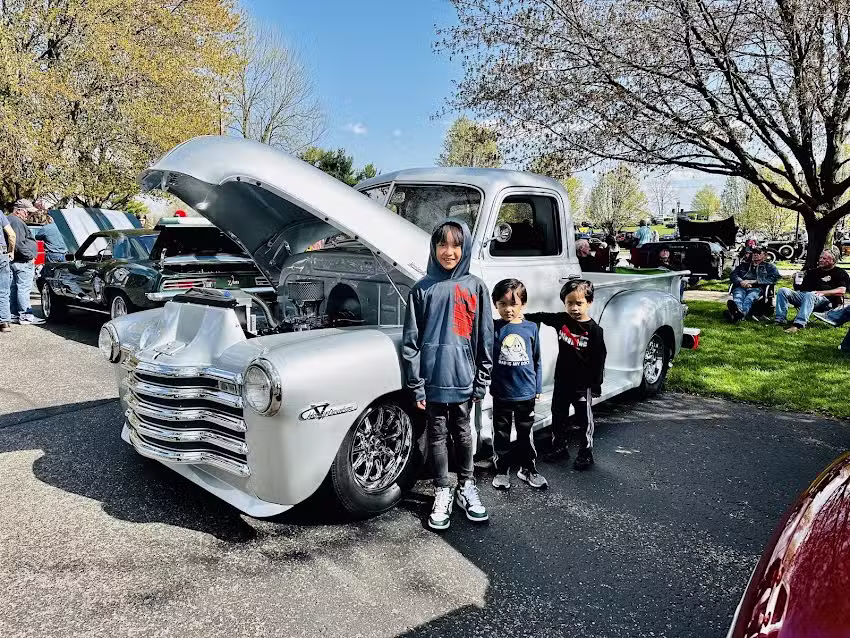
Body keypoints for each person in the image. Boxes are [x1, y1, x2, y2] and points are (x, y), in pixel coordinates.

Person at [403, 220, 494, 531]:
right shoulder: (421, 289)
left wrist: (481, 380)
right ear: (434, 248)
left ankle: (466, 486)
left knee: (464, 433)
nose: (449, 251)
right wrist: (416, 386)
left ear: (464, 248)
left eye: (456, 245)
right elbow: (411, 342)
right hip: (431, 383)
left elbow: (485, 337)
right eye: (443, 245)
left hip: (464, 380)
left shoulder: (475, 287)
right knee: (438, 436)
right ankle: (443, 487)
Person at [526, 279, 607, 471]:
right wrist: (523, 318)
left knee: (583, 420)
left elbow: (599, 358)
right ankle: (559, 447)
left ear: (589, 302)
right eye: (569, 303)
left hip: (582, 384)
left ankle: (586, 452)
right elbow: (543, 316)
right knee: (558, 415)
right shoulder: (562, 320)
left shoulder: (594, 330)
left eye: (579, 303)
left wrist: (596, 385)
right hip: (562, 381)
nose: (574, 308)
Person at [489, 278, 546, 491]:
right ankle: (502, 469)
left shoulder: (531, 328)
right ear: (495, 304)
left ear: (523, 304)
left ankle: (528, 468)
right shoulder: (493, 328)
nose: (508, 309)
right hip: (502, 392)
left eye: (513, 304)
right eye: (502, 304)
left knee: (525, 432)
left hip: (526, 392)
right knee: (501, 432)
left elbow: (537, 359)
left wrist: (537, 388)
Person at [775, 250, 849, 333]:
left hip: (825, 300)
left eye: (824, 258)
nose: (821, 260)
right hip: (806, 296)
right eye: (820, 258)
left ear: (833, 260)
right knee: (783, 290)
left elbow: (842, 290)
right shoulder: (812, 272)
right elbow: (800, 289)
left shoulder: (840, 273)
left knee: (810, 295)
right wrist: (796, 280)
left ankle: (798, 324)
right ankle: (780, 320)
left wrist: (822, 292)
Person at [6, 200, 44, 325]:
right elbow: (18, 243)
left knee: (14, 288)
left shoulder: (9, 220)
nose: (28, 215)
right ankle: (25, 315)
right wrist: (30, 256)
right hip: (22, 260)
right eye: (27, 212)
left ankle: (14, 314)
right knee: (23, 288)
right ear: (19, 210)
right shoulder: (16, 221)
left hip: (15, 260)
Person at [726, 246, 780, 322]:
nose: (755, 255)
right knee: (738, 297)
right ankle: (738, 314)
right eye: (754, 253)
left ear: (764, 255)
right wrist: (741, 281)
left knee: (749, 298)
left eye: (758, 253)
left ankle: (738, 315)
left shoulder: (769, 267)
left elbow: (775, 278)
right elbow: (733, 275)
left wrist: (755, 281)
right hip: (741, 286)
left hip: (757, 288)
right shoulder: (744, 265)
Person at [0, 207, 16, 333]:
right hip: (1, 254)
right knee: (3, 290)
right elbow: (11, 234)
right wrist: (11, 251)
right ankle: (4, 322)